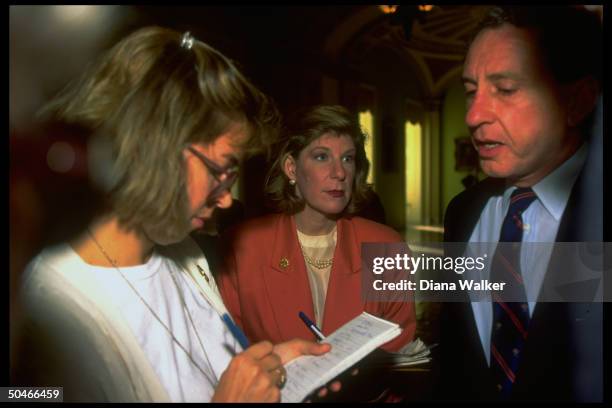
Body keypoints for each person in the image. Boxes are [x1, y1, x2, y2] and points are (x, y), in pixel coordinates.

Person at [13, 27, 333, 402]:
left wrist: (275, 368)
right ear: (155, 149)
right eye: (221, 170)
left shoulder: (185, 254)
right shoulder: (44, 310)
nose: (227, 199)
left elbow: (205, 370)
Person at [438, 6, 602, 402]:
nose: (474, 115)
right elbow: (456, 362)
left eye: (505, 90)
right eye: (471, 90)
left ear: (576, 101)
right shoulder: (461, 214)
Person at [217, 105, 416, 352]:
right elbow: (227, 351)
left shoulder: (387, 247)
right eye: (321, 157)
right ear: (291, 168)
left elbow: (401, 350)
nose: (339, 172)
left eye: (348, 158)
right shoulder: (242, 246)